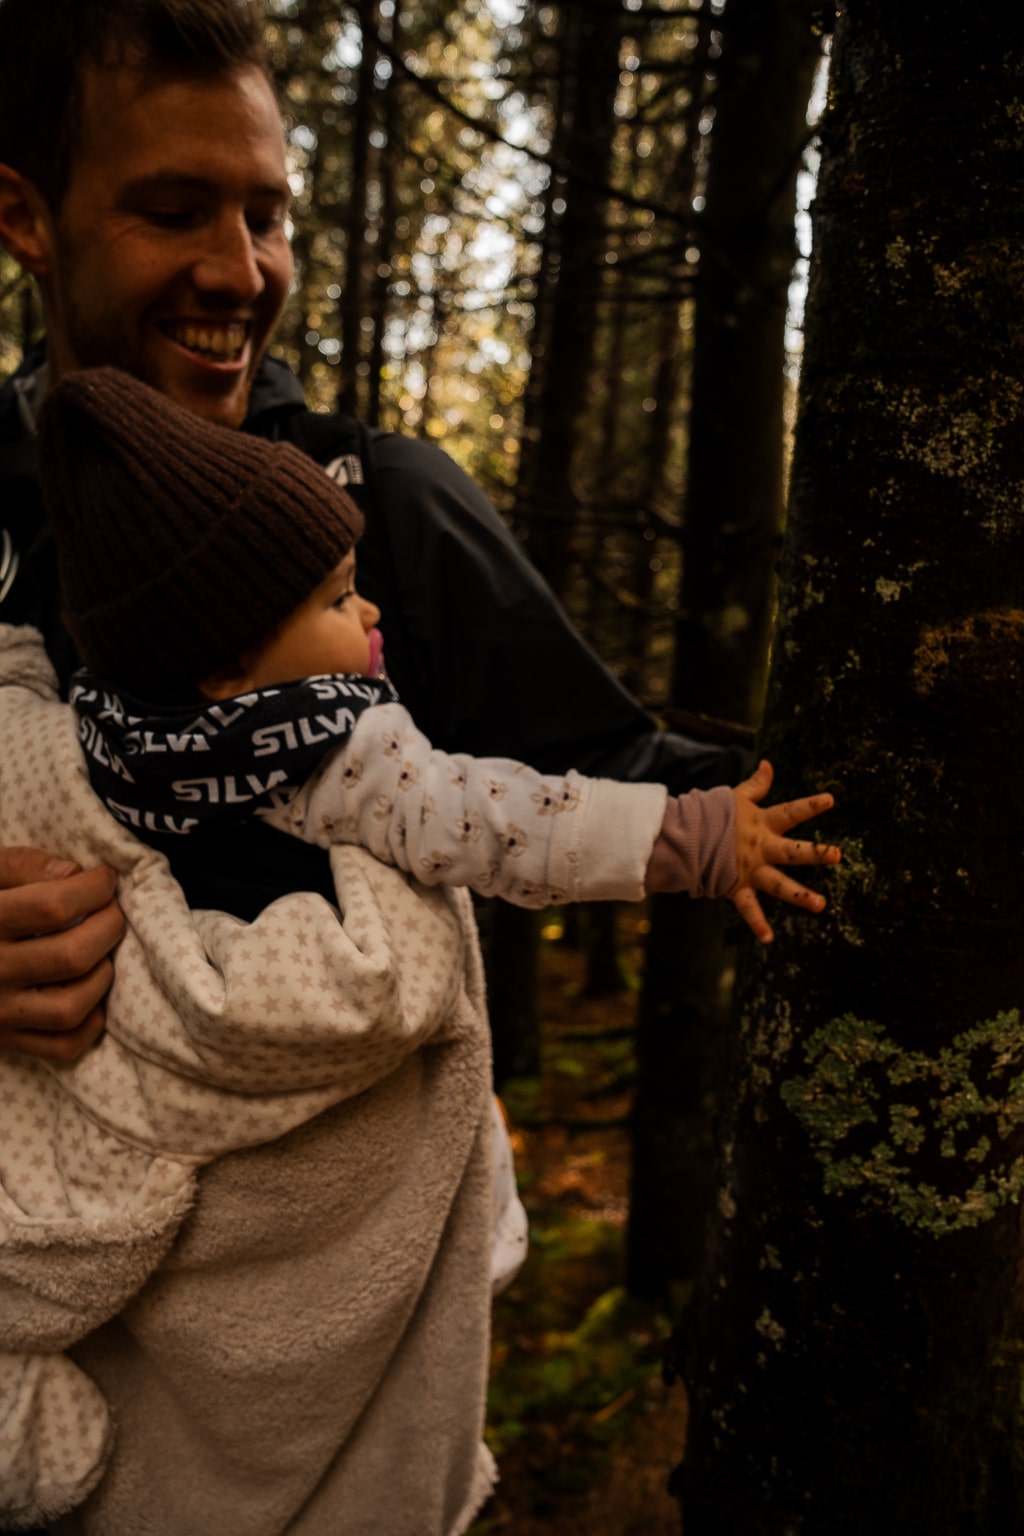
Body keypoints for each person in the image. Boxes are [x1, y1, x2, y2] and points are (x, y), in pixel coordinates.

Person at [0, 364, 839, 1534]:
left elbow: (12, 712)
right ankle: (485, 1241)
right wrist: (695, 839)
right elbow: (505, 822)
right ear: (226, 665)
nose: (373, 615)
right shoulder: (336, 751)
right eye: (341, 600)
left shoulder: (98, 734)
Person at [0, 0, 751, 1063]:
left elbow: (606, 765)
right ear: (26, 219)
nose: (242, 271)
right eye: (173, 212)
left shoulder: (380, 502)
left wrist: (896, 789)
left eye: (266, 217)